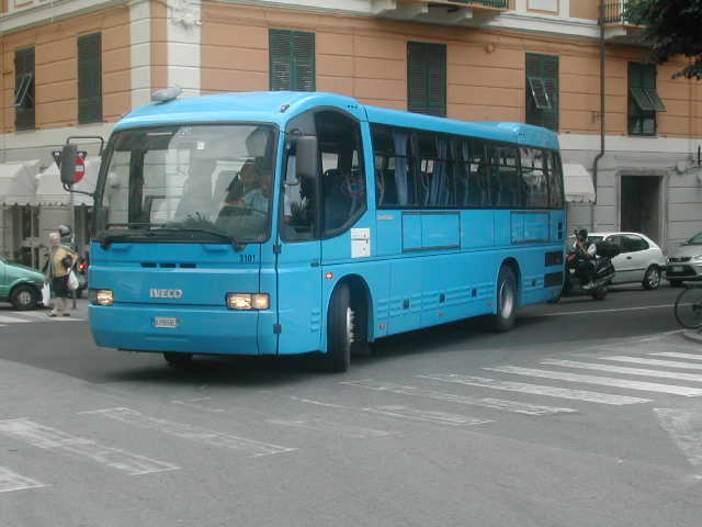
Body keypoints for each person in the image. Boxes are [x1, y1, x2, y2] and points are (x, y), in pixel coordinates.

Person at [44, 232, 78, 317]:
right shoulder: (51, 250)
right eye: (53, 240)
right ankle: (66, 310)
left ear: (59, 240)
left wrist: (71, 267)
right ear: (51, 241)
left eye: (57, 240)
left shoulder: (64, 248)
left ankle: (55, 310)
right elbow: (50, 264)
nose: (55, 241)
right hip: (55, 274)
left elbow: (75, 256)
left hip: (63, 274)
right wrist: (47, 276)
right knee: (63, 293)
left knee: (58, 293)